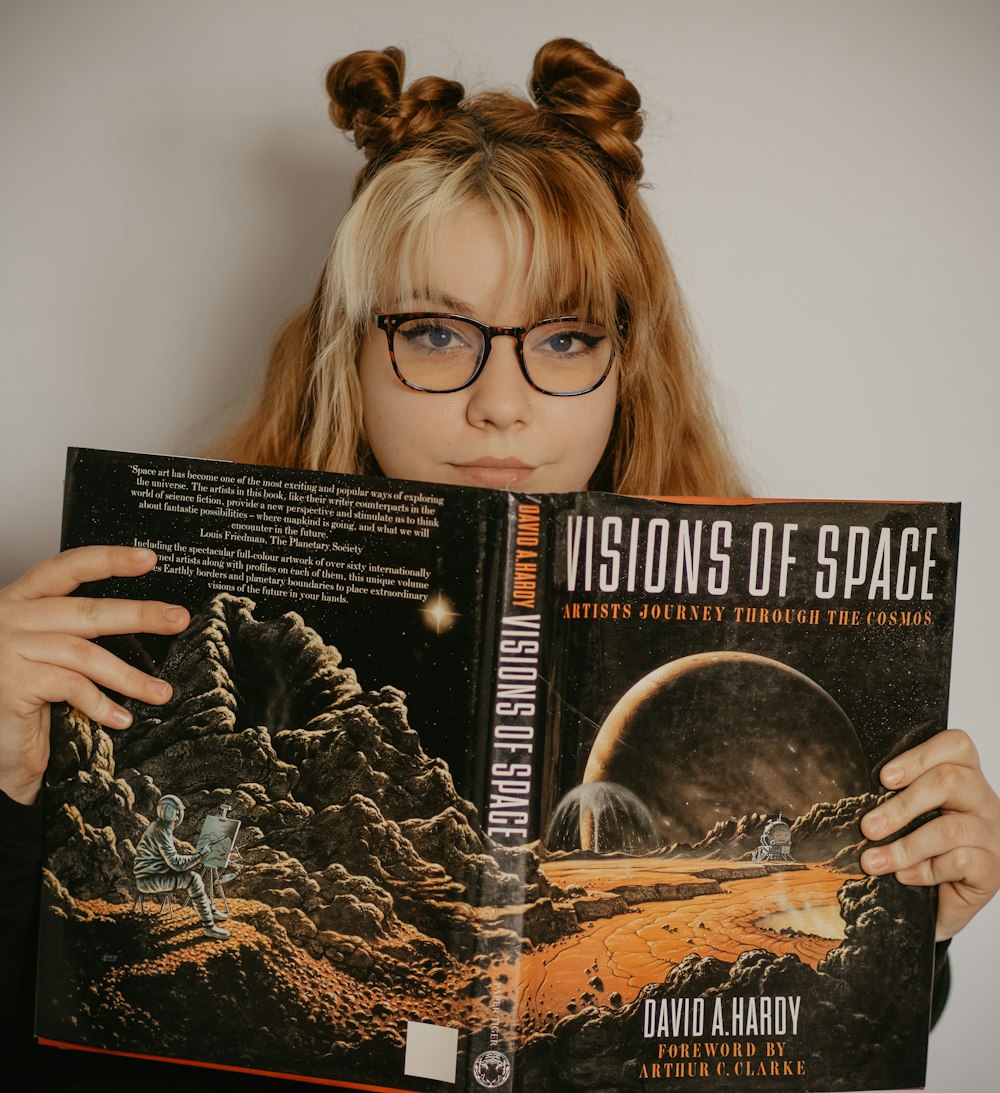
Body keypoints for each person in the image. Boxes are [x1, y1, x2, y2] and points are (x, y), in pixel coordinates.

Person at [1, 36, 998, 1091]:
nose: (501, 401)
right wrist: (12, 796)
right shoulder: (145, 620)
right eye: (435, 333)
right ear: (349, 354)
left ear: (628, 362)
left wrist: (911, 922)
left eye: (564, 338)